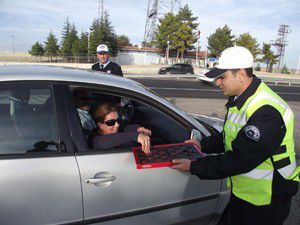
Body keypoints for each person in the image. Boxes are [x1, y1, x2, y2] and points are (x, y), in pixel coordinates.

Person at [172, 46, 299, 225]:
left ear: (240, 74)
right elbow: (230, 136)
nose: (217, 82)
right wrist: (203, 145)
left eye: (222, 77)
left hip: (268, 198)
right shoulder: (240, 99)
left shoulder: (266, 110)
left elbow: (241, 158)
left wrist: (195, 166)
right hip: (245, 193)